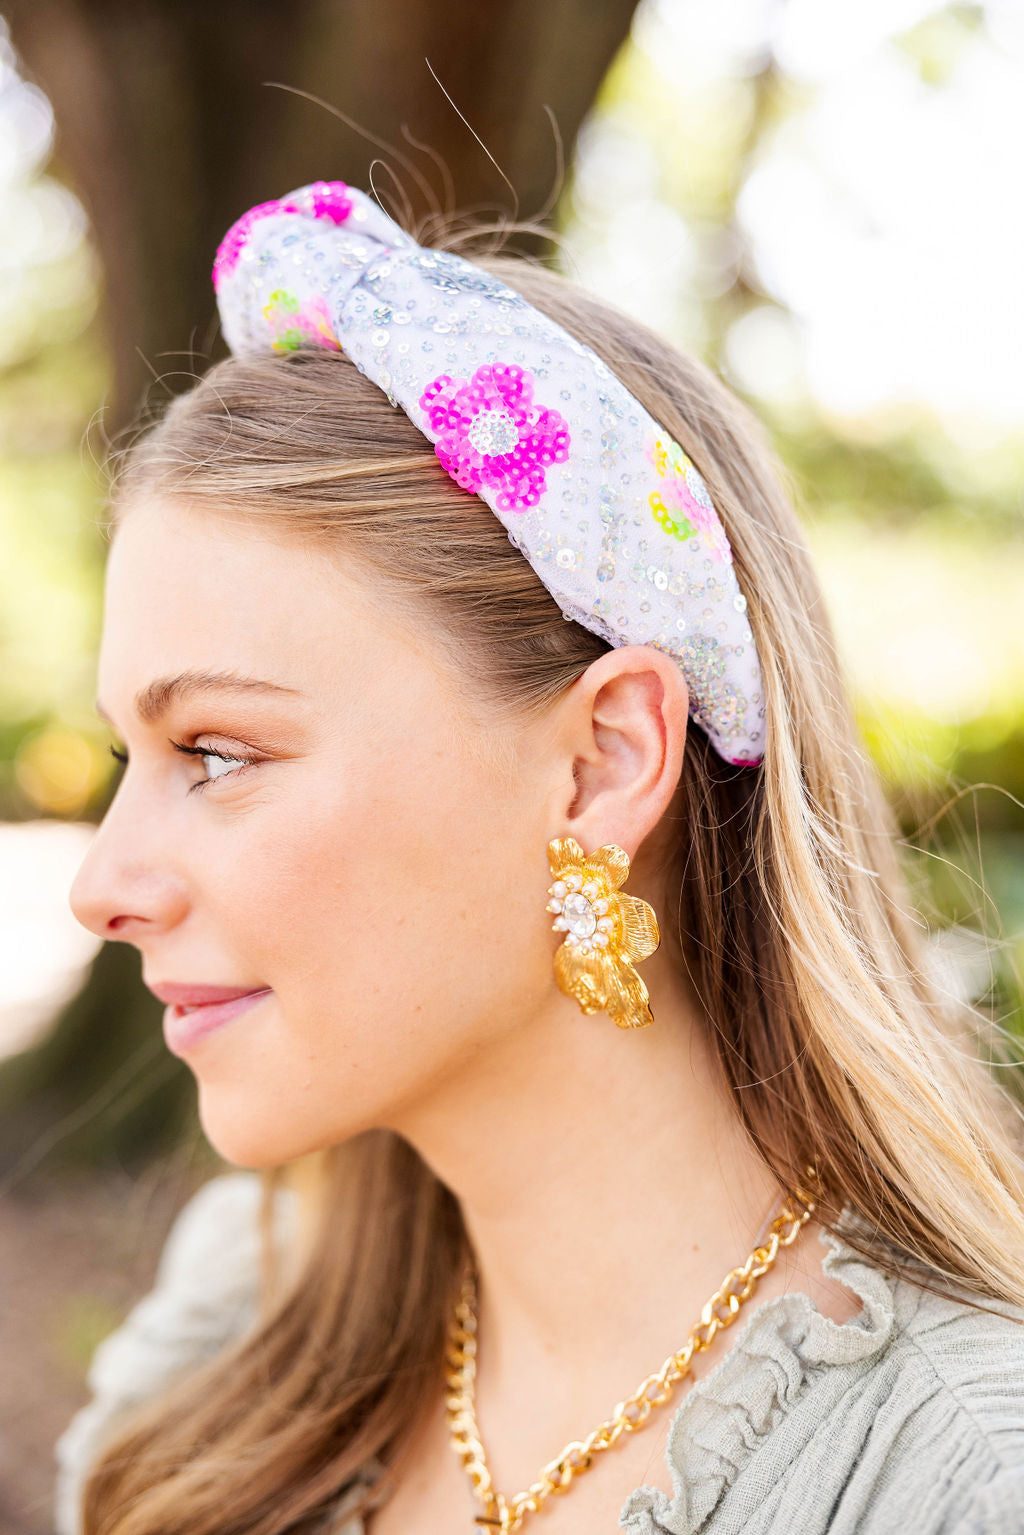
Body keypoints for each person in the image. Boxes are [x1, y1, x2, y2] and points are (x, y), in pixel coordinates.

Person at [55, 180, 1024, 1535]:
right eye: (128, 762)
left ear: (603, 764)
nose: (103, 887)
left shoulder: (956, 1482)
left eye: (217, 753)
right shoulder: (245, 1327)